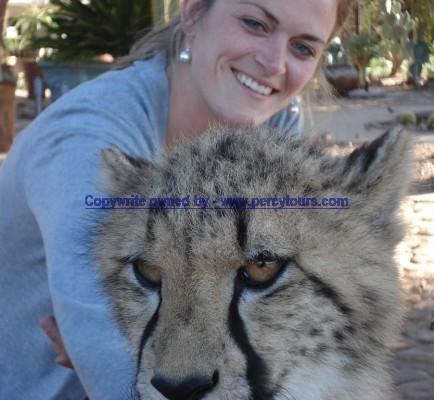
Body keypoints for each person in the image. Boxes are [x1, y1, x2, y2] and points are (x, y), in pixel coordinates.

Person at [0, 0, 356, 398]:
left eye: (303, 48)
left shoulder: (271, 121)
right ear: (191, 13)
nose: (274, 64)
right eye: (255, 23)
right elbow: (118, 375)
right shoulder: (86, 143)